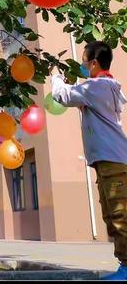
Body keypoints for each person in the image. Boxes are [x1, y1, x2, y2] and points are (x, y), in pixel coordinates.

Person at [51, 41, 127, 281]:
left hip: (112, 162)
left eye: (84, 60)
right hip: (109, 162)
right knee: (112, 216)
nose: (82, 64)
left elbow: (62, 96)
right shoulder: (103, 87)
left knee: (119, 216)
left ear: (94, 63)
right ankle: (124, 266)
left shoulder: (97, 87)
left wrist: (56, 77)